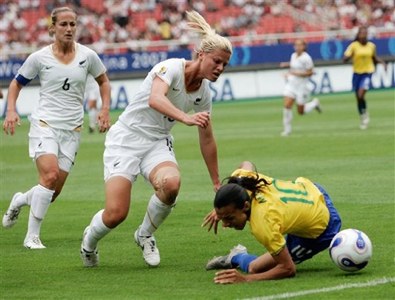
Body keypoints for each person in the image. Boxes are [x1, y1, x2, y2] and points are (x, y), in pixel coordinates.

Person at [80, 10, 232, 268]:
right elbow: (156, 98)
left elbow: (207, 137)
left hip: (157, 142)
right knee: (116, 213)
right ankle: (89, 244)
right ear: (201, 54)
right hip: (126, 139)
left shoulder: (204, 93)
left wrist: (217, 182)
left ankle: (145, 235)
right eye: (216, 61)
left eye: (224, 65)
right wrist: (185, 118)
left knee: (171, 185)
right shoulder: (170, 67)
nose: (220, 69)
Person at [2, 7, 111, 249]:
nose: (69, 29)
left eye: (73, 24)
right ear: (52, 28)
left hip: (72, 130)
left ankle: (20, 200)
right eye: (63, 24)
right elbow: (15, 84)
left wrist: (104, 110)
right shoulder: (39, 57)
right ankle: (32, 236)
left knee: (52, 191)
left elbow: (103, 81)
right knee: (49, 176)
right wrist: (11, 110)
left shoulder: (88, 56)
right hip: (44, 125)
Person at [202, 161, 341, 284]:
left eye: (229, 218)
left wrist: (246, 279)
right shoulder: (244, 182)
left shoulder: (263, 223)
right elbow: (246, 163)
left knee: (254, 268)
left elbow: (288, 269)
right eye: (223, 218)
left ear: (245, 206)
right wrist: (223, 208)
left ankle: (237, 256)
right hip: (313, 191)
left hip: (324, 227)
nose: (225, 224)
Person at [343, 26, 387, 130]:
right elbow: (344, 59)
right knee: (358, 98)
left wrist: (382, 63)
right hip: (357, 73)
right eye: (361, 33)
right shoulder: (353, 46)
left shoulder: (371, 46)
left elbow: (374, 58)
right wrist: (350, 56)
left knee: (361, 93)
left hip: (368, 72)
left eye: (365, 33)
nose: (363, 35)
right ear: (358, 35)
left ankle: (365, 115)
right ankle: (363, 115)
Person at [280, 39, 321, 137]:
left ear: (304, 47)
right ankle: (287, 130)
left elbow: (310, 72)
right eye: (296, 45)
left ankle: (314, 103)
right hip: (291, 85)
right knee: (287, 105)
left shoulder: (307, 58)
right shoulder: (293, 55)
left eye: (300, 45)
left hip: (302, 87)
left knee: (301, 112)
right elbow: (294, 66)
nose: (297, 47)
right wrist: (287, 65)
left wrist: (295, 73)